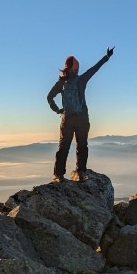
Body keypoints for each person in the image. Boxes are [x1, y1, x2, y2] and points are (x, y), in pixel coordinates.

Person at [47, 46, 114, 182]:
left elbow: (49, 97)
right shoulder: (81, 80)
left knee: (63, 147)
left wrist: (58, 110)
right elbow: (95, 68)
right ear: (77, 68)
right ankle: (81, 173)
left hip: (67, 119)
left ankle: (58, 175)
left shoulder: (61, 83)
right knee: (82, 145)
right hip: (82, 118)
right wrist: (107, 57)